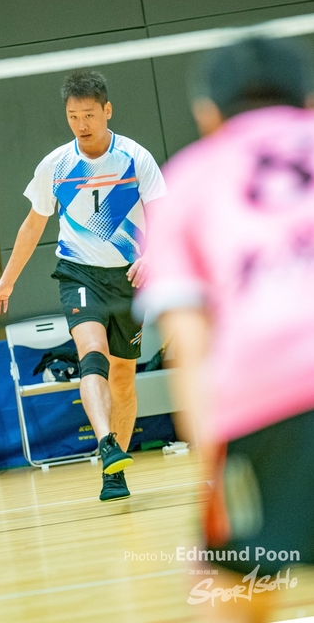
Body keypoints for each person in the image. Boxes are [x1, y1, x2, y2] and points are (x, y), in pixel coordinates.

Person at [137, 37, 314, 622]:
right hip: (273, 396)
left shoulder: (188, 179)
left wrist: (211, 479)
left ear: (207, 114)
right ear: (307, 101)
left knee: (237, 591)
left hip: (263, 400)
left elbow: (189, 346)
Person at [0, 70, 167, 501]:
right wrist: (6, 281)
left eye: (88, 114)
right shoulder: (56, 165)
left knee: (123, 377)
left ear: (107, 110)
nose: (81, 124)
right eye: (72, 116)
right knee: (92, 356)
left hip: (128, 279)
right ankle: (106, 445)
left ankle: (115, 473)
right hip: (78, 273)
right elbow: (33, 226)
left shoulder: (135, 158)